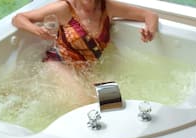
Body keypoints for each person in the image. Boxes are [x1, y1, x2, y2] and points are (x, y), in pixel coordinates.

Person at [11, 0, 158, 106]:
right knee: (82, 103)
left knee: (112, 102)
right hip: (59, 62)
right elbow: (18, 18)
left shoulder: (108, 6)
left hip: (86, 67)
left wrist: (149, 31)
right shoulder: (64, 8)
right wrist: (37, 30)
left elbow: (150, 15)